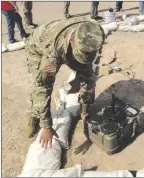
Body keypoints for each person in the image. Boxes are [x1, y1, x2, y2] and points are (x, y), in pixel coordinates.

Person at [25, 17, 105, 149]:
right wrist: (46, 125)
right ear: (72, 41)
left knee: (89, 78)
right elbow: (42, 88)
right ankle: (33, 116)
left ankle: (84, 109)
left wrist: (85, 108)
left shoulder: (95, 33)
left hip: (69, 46)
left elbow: (91, 63)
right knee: (39, 83)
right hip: (38, 47)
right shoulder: (52, 55)